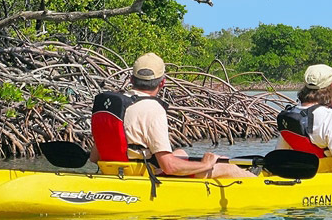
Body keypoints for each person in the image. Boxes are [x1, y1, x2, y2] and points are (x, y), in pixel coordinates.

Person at [90, 52, 255, 178]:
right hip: (141, 175)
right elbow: (169, 167)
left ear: (131, 79)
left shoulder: (114, 105)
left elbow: (94, 157)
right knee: (229, 168)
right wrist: (206, 164)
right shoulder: (153, 109)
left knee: (181, 153)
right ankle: (265, 185)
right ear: (162, 82)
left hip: (115, 169)